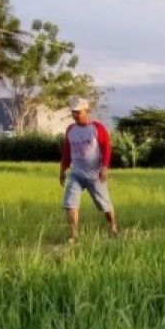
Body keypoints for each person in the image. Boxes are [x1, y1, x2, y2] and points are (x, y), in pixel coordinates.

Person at [59, 97, 117, 240]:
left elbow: (106, 149)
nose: (75, 115)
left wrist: (104, 168)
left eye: (78, 112)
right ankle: (73, 235)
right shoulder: (70, 130)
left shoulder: (97, 128)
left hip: (95, 175)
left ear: (87, 111)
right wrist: (62, 171)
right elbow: (67, 151)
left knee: (104, 205)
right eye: (73, 112)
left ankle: (113, 226)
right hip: (76, 174)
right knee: (71, 203)